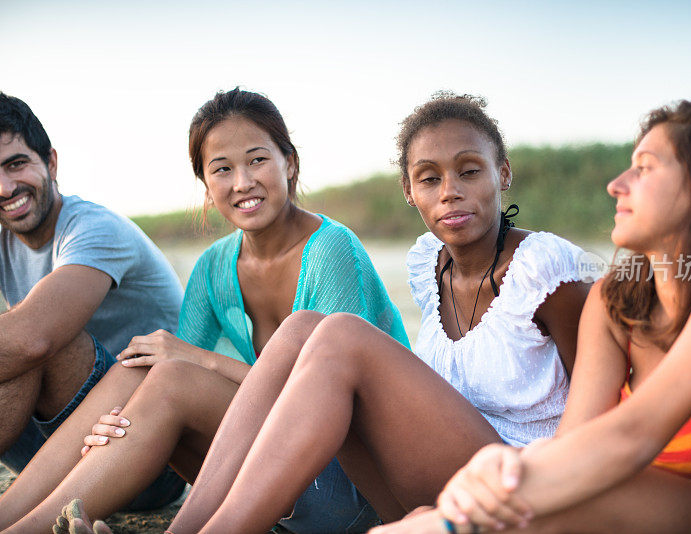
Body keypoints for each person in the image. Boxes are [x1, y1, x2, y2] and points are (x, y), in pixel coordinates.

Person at [77, 91, 601, 534]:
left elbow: (599, 416)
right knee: (306, 328)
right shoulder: (429, 265)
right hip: (431, 480)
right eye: (429, 179)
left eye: (469, 171)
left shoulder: (543, 270)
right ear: (408, 190)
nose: (450, 193)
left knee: (339, 335)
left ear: (502, 173)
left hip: (517, 487)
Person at [372, 100, 691, 533]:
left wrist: (471, 508)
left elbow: (633, 435)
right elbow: (576, 440)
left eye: (645, 168)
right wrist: (509, 465)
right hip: (619, 492)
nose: (616, 184)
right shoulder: (615, 298)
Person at [0, 87, 408, 534]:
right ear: (207, 186)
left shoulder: (332, 249)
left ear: (289, 163)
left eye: (257, 160)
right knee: (147, 364)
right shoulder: (214, 266)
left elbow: (334, 406)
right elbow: (164, 381)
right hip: (267, 475)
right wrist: (107, 425)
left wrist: (200, 359)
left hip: (354, 481)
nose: (242, 182)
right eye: (222, 169)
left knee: (174, 368)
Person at [0, 93, 186, 513]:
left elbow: (34, 339)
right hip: (56, 448)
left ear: (50, 162)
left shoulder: (95, 228)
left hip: (150, 450)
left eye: (16, 164)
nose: (6, 188)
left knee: (39, 336)